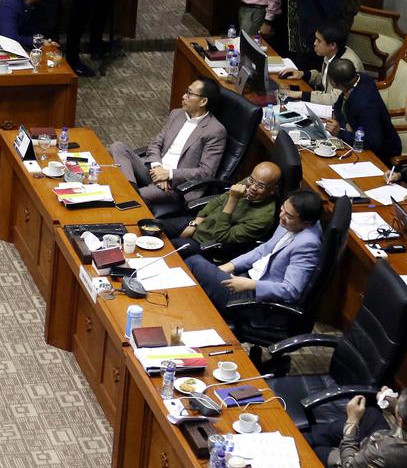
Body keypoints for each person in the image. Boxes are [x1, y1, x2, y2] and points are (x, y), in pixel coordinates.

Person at [185, 189, 324, 320]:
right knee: (196, 276)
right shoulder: (290, 223)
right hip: (245, 278)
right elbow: (264, 249)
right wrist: (230, 265)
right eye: (283, 209)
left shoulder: (307, 245)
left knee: (193, 262)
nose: (281, 216)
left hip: (255, 301)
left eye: (289, 216)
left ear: (306, 223)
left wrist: (251, 285)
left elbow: (291, 291)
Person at [109, 77, 227, 210]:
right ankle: (129, 191)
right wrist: (158, 167)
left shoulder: (215, 131)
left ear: (203, 101)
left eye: (189, 93)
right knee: (118, 147)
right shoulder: (176, 114)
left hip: (176, 186)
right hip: (154, 171)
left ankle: (129, 197)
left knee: (138, 198)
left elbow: (206, 172)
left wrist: (169, 174)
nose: (183, 96)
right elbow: (155, 144)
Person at [305, 386, 407, 468]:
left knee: (315, 451)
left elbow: (349, 466)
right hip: (391, 449)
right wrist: (390, 402)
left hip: (362, 466)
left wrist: (352, 421)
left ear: (401, 421)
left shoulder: (383, 452)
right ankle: (311, 437)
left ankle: (305, 443)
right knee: (371, 413)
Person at [159, 162, 282, 257]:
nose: (253, 187)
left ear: (272, 190)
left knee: (166, 248)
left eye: (261, 186)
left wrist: (233, 200)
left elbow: (222, 236)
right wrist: (195, 224)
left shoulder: (262, 219)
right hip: (200, 225)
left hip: (209, 245)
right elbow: (217, 201)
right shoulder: (247, 182)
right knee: (155, 227)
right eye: (251, 180)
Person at [323, 58, 401, 164]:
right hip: (358, 140)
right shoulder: (358, 79)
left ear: (334, 83)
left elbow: (373, 142)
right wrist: (345, 124)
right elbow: (338, 107)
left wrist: (340, 133)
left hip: (380, 156)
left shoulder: (365, 105)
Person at [278, 24, 363, 106]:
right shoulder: (332, 54)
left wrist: (299, 94)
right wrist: (302, 74)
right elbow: (324, 78)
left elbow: (334, 99)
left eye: (319, 41)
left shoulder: (345, 65)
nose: (315, 43)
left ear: (332, 45)